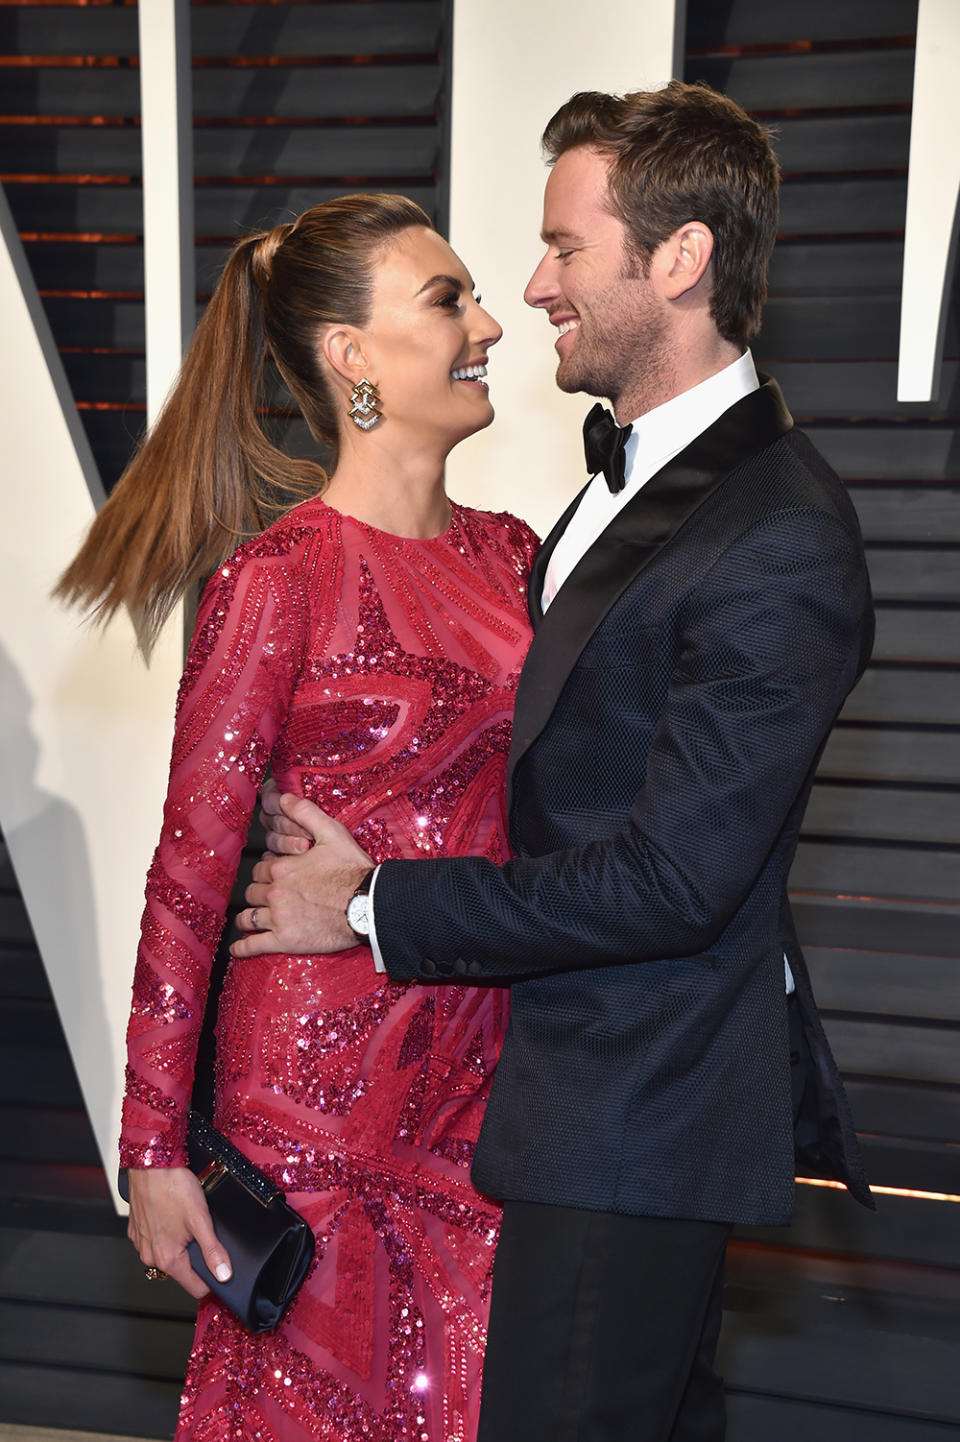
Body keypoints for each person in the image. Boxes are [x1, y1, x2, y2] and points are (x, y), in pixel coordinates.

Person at [232, 82, 876, 1441]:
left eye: (567, 248)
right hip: (571, 1103)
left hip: (635, 1117)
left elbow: (668, 880)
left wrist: (366, 902)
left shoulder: (778, 533)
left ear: (680, 259)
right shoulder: (623, 490)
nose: (533, 287)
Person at [56, 193, 540, 1441]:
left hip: (480, 1083)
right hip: (312, 1104)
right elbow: (188, 878)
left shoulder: (516, 557)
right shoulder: (279, 577)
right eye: (448, 300)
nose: (488, 322)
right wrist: (154, 1153)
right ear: (351, 354)